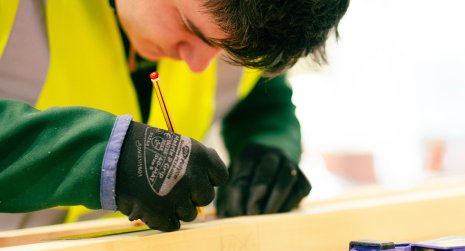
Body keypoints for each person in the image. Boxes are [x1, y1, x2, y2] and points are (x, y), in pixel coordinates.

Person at [0, 0, 350, 231]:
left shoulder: (243, 19)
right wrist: (100, 156)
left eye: (224, 50)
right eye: (188, 26)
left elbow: (260, 100)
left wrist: (268, 148)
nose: (198, 65)